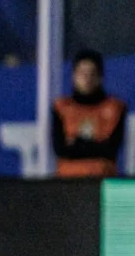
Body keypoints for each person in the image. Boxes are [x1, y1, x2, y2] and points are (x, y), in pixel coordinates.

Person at [51, 50, 127, 178]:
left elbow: (111, 150)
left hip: (103, 180)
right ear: (73, 76)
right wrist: (97, 145)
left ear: (100, 77)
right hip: (67, 183)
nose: (87, 79)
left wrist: (77, 143)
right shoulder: (61, 108)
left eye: (92, 73)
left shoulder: (115, 108)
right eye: (82, 73)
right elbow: (60, 150)